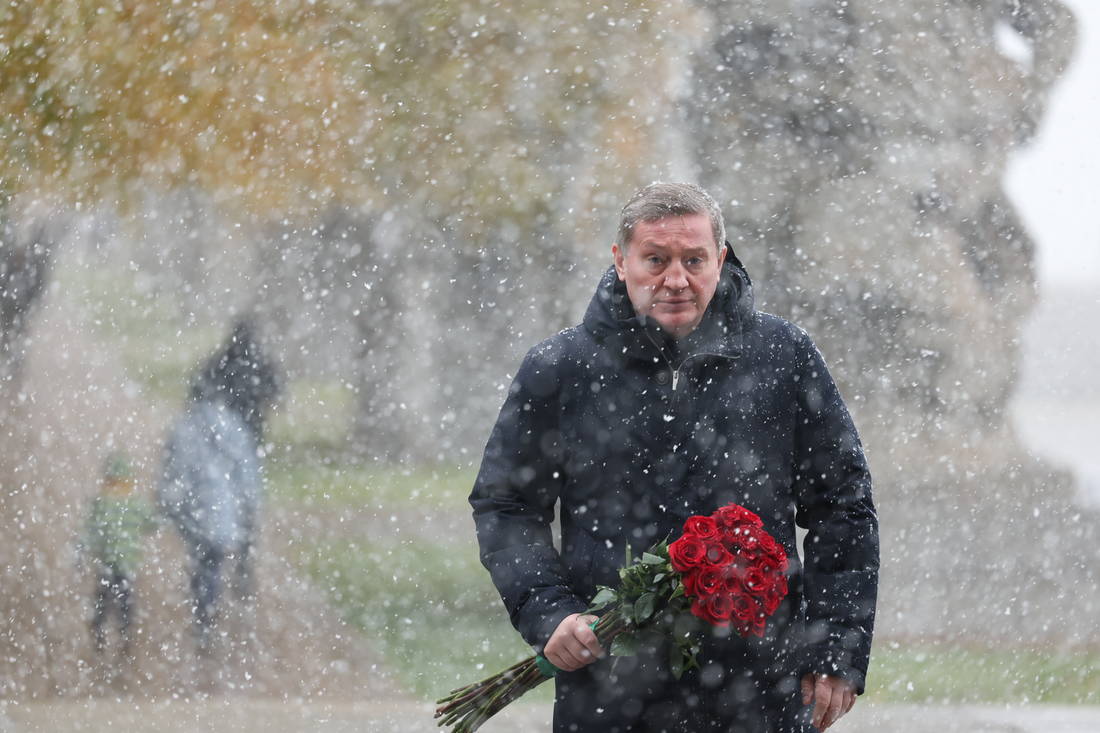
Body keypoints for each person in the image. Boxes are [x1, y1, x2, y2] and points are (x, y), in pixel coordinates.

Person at [469, 182, 878, 732]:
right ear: (621, 261)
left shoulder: (785, 357)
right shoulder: (560, 368)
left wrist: (835, 648)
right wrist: (549, 613)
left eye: (694, 260)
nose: (676, 280)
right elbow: (506, 504)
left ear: (721, 260)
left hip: (761, 685)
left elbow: (843, 506)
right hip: (609, 684)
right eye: (656, 260)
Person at [158, 318, 280, 653]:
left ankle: (204, 615)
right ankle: (239, 562)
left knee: (205, 557)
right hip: (239, 457)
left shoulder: (189, 423)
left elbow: (173, 471)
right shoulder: (234, 422)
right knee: (231, 530)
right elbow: (274, 393)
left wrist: (166, 503)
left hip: (200, 500)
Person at [82, 452, 157, 660]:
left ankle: (98, 639)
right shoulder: (135, 502)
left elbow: (90, 532)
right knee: (126, 603)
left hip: (107, 563)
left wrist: (81, 553)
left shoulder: (101, 502)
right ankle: (125, 641)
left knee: (102, 602)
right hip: (127, 564)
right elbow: (152, 522)